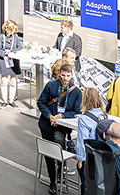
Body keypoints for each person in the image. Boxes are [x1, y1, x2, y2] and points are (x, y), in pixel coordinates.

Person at [36, 63, 82, 193]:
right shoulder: (51, 86)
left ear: (72, 75)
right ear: (59, 73)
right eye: (63, 75)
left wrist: (61, 116)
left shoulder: (76, 92)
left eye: (68, 75)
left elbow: (76, 111)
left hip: (62, 127)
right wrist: (50, 116)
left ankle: (60, 173)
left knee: (60, 149)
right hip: (46, 124)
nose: (65, 78)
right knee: (49, 153)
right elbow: (41, 102)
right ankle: (52, 180)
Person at [76, 88, 105, 193]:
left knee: (86, 184)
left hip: (89, 157)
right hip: (101, 156)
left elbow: (82, 141)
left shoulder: (84, 119)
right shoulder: (104, 115)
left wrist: (80, 159)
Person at [0, 20, 22, 109]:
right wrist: (5, 53)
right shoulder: (1, 37)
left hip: (14, 61)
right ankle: (5, 101)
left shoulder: (16, 36)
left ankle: (11, 100)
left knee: (13, 82)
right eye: (13, 29)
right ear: (9, 29)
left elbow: (19, 47)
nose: (15, 31)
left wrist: (12, 52)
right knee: (4, 81)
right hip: (4, 61)